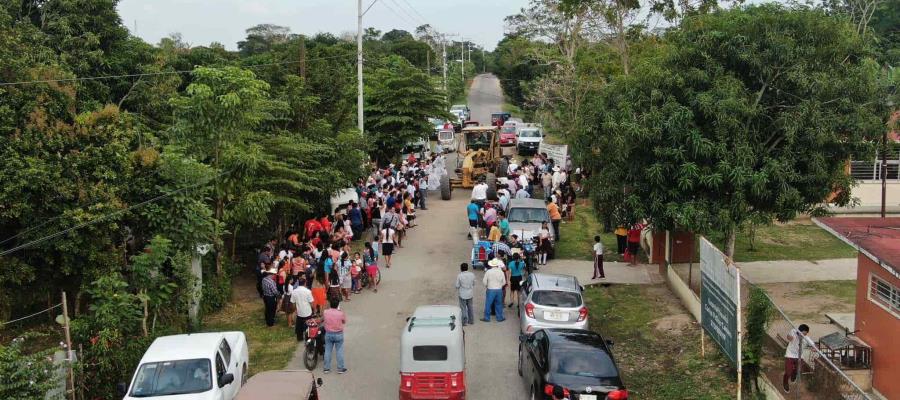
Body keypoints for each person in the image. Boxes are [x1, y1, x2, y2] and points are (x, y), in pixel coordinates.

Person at [783, 324, 812, 393]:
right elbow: (789, 337)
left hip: (799, 356)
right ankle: (785, 382)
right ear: (799, 331)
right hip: (790, 354)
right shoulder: (793, 332)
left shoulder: (806, 338)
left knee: (797, 370)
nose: (802, 335)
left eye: (804, 334)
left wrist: (815, 348)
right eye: (801, 333)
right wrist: (792, 337)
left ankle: (794, 375)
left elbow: (813, 345)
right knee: (788, 371)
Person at [322, 298, 347, 374]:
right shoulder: (341, 313)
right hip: (338, 334)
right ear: (337, 305)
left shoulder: (325, 312)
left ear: (330, 304)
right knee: (339, 351)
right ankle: (340, 368)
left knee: (328, 350)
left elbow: (323, 319)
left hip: (328, 333)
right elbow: (344, 321)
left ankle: (326, 368)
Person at [290, 276, 314, 342]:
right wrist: (313, 309)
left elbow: (293, 303)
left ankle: (299, 338)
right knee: (309, 326)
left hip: (299, 312)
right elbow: (311, 302)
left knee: (299, 326)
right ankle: (309, 338)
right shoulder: (308, 291)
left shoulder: (294, 291)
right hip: (307, 311)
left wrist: (295, 310)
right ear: (305, 283)